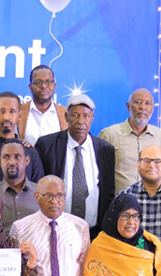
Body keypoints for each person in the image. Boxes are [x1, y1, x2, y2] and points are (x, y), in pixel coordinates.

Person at [37, 95, 116, 235]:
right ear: (66, 117)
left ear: (92, 118)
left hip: (94, 231)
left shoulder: (105, 150)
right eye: (75, 115)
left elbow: (108, 192)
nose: (81, 121)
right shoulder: (46, 145)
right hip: (55, 230)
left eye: (86, 116)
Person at [0, 92, 45, 188]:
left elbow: (38, 190)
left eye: (12, 111)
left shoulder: (30, 152)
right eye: (2, 111)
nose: (6, 117)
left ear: (19, 115)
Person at [102, 89, 161, 192]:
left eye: (147, 104)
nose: (143, 107)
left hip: (151, 203)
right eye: (138, 102)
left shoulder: (160, 137)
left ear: (152, 109)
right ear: (128, 106)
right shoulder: (109, 135)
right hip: (119, 203)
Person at [0, 141, 38, 231]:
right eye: (6, 157)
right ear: (0, 161)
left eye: (17, 157)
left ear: (27, 160)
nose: (12, 162)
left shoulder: (41, 193)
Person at [17, 64, 66, 145]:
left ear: (54, 86)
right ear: (30, 87)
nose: (43, 86)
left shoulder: (65, 114)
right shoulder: (19, 111)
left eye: (48, 82)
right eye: (38, 82)